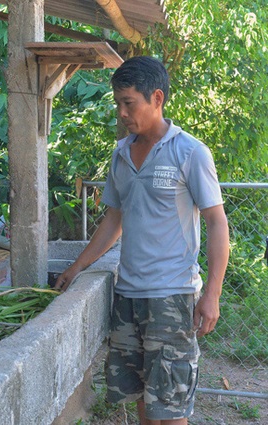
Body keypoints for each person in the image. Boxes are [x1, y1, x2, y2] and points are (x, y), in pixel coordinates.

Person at [54, 56, 229, 425]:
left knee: (171, 404)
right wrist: (76, 266)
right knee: (141, 399)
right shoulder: (120, 155)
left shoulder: (190, 152)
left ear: (157, 98)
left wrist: (211, 294)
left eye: (128, 103)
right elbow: (113, 220)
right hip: (128, 295)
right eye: (117, 103)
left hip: (172, 295)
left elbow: (217, 222)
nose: (121, 113)